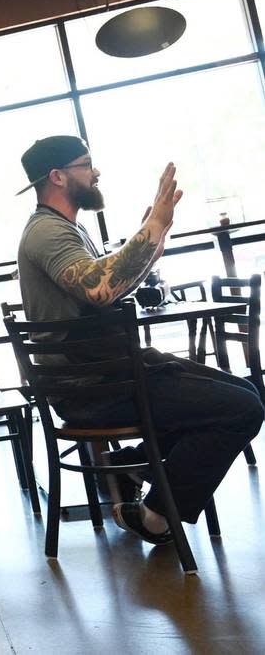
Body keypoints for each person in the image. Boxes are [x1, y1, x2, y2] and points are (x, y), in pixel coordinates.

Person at [15, 135, 263, 545]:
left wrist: (154, 241)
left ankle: (130, 464)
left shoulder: (67, 228)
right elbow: (99, 288)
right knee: (242, 408)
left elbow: (111, 288)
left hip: (113, 371)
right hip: (92, 389)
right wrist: (152, 227)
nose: (95, 172)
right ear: (58, 176)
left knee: (247, 391)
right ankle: (154, 516)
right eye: (86, 164)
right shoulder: (46, 232)